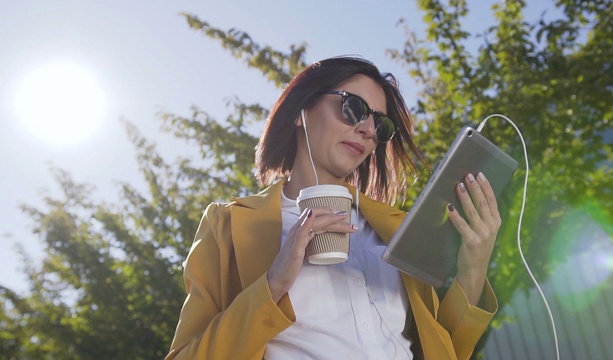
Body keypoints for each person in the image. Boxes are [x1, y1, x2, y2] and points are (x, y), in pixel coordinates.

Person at [166, 56, 500, 360]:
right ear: (302, 110)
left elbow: (446, 350)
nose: (369, 130)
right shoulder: (228, 224)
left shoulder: (398, 230)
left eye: (380, 125)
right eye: (354, 108)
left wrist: (474, 267)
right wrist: (273, 285)